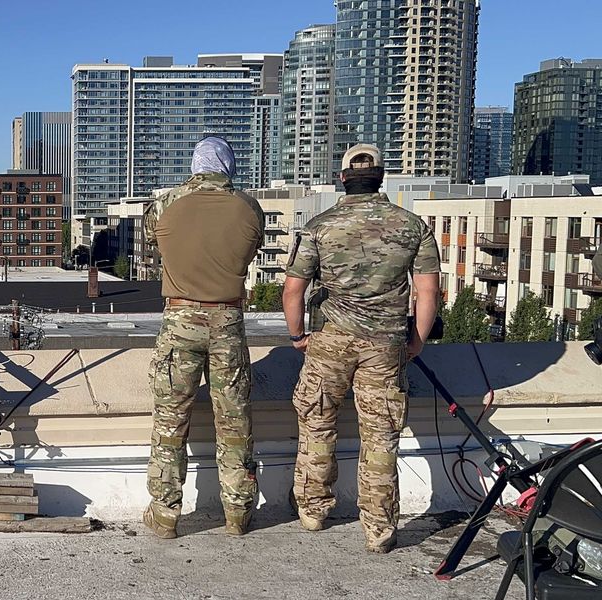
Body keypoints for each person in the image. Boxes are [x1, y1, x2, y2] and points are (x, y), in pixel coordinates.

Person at [282, 143, 441, 554]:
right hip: (386, 344)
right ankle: (379, 528)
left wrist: (298, 335)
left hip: (330, 338)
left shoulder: (319, 227)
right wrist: (417, 341)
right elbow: (428, 292)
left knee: (317, 423)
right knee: (381, 435)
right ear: (382, 178)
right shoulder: (412, 226)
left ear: (341, 179)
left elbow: (293, 291)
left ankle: (314, 510)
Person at [142, 137, 265, 538]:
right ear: (228, 165)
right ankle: (237, 514)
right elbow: (250, 250)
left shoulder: (165, 203)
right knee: (234, 421)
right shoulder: (249, 207)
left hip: (179, 319)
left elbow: (151, 238)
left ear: (195, 164)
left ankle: (164, 516)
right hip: (228, 320)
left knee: (170, 422)